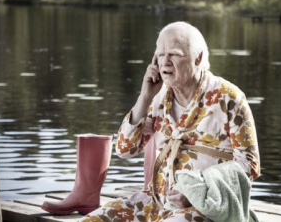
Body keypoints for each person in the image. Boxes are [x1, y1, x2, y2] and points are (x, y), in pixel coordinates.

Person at [80, 21, 260, 221]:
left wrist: (196, 192)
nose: (164, 62)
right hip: (156, 201)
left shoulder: (229, 97)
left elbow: (249, 165)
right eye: (160, 54)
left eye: (174, 54)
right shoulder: (157, 97)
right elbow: (124, 149)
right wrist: (145, 97)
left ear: (198, 58)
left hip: (206, 208)